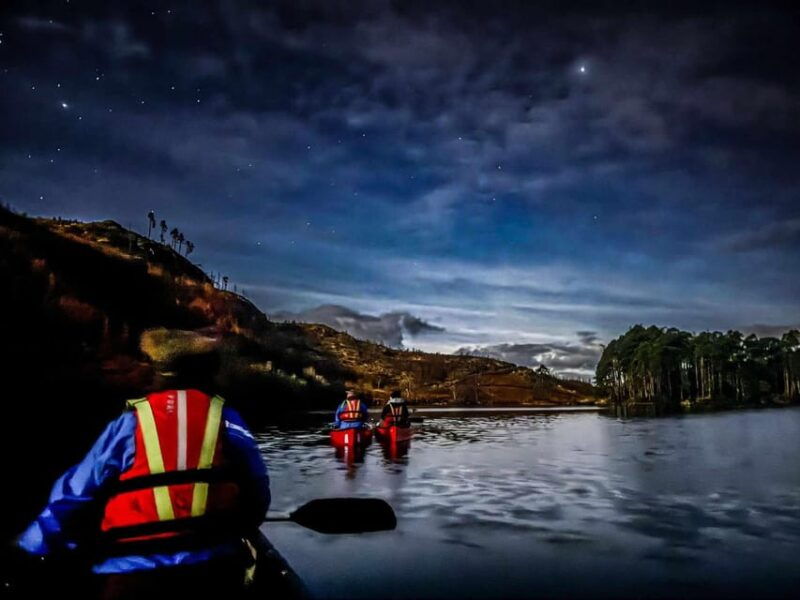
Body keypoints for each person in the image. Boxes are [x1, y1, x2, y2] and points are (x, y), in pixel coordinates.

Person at [14, 348, 270, 599]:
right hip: (210, 568)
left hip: (131, 572)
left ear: (161, 376)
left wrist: (32, 545)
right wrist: (247, 523)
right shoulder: (227, 418)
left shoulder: (130, 421)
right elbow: (257, 486)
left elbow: (75, 491)